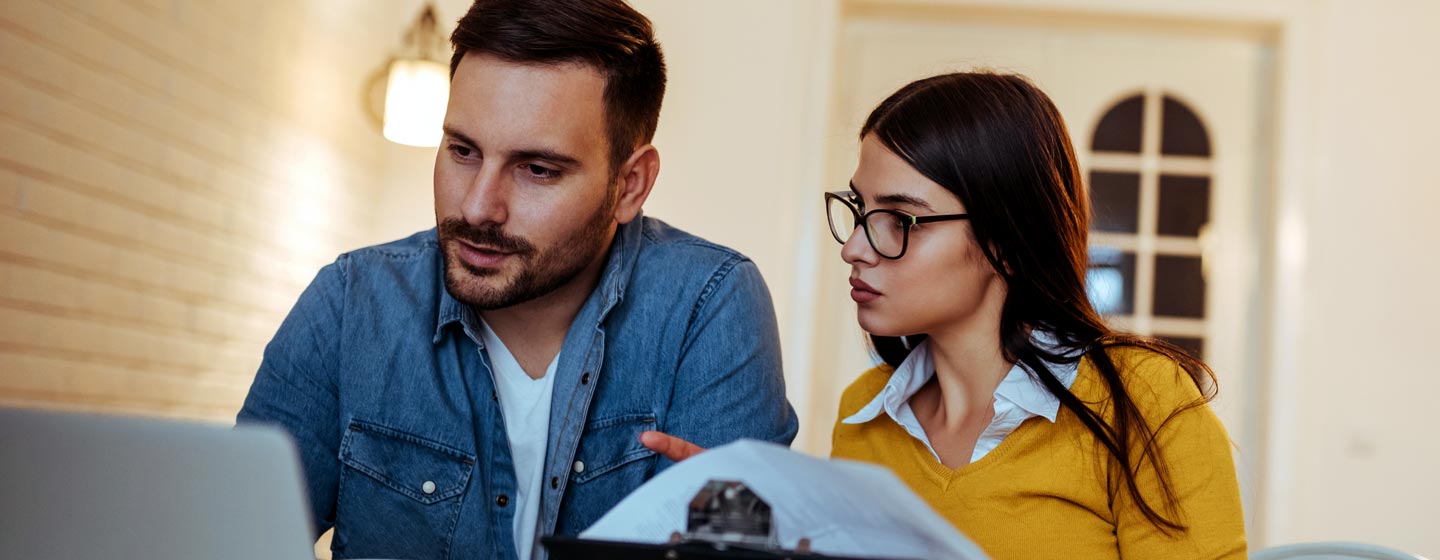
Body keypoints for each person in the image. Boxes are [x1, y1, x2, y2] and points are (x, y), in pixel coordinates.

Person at [237, 1, 798, 559]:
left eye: (537, 169)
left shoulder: (709, 304)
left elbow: (736, 552)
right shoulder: (350, 303)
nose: (479, 207)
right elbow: (235, 541)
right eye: (462, 151)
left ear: (630, 185)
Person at [642, 72, 1246, 558]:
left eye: (899, 218)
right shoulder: (863, 416)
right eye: (859, 208)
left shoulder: (1144, 402)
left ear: (1004, 240)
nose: (854, 246)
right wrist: (764, 535)